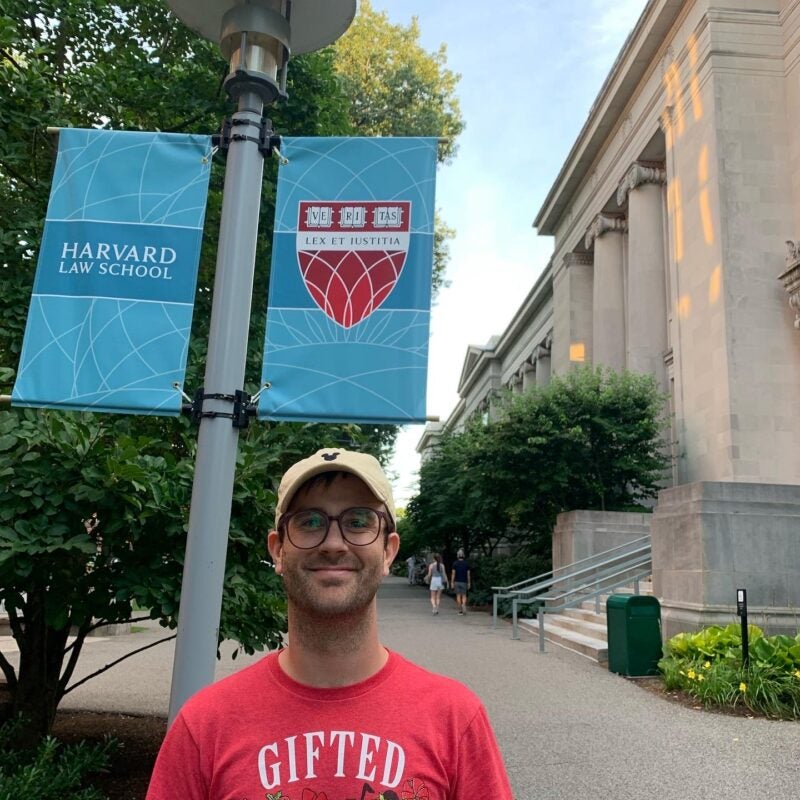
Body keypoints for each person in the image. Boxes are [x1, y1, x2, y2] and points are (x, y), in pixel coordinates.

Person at [146, 448, 512, 799]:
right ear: (277, 550)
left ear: (388, 551)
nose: (334, 544)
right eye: (310, 522)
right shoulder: (205, 726)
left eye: (357, 522)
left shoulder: (455, 720)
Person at [450, 549, 471, 615]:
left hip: (457, 582)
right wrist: (469, 583)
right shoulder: (466, 564)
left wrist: (452, 582)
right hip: (464, 582)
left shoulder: (455, 563)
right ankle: (463, 604)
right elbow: (468, 574)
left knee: (458, 596)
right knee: (464, 595)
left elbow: (453, 574)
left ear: (457, 556)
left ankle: (460, 611)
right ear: (463, 555)